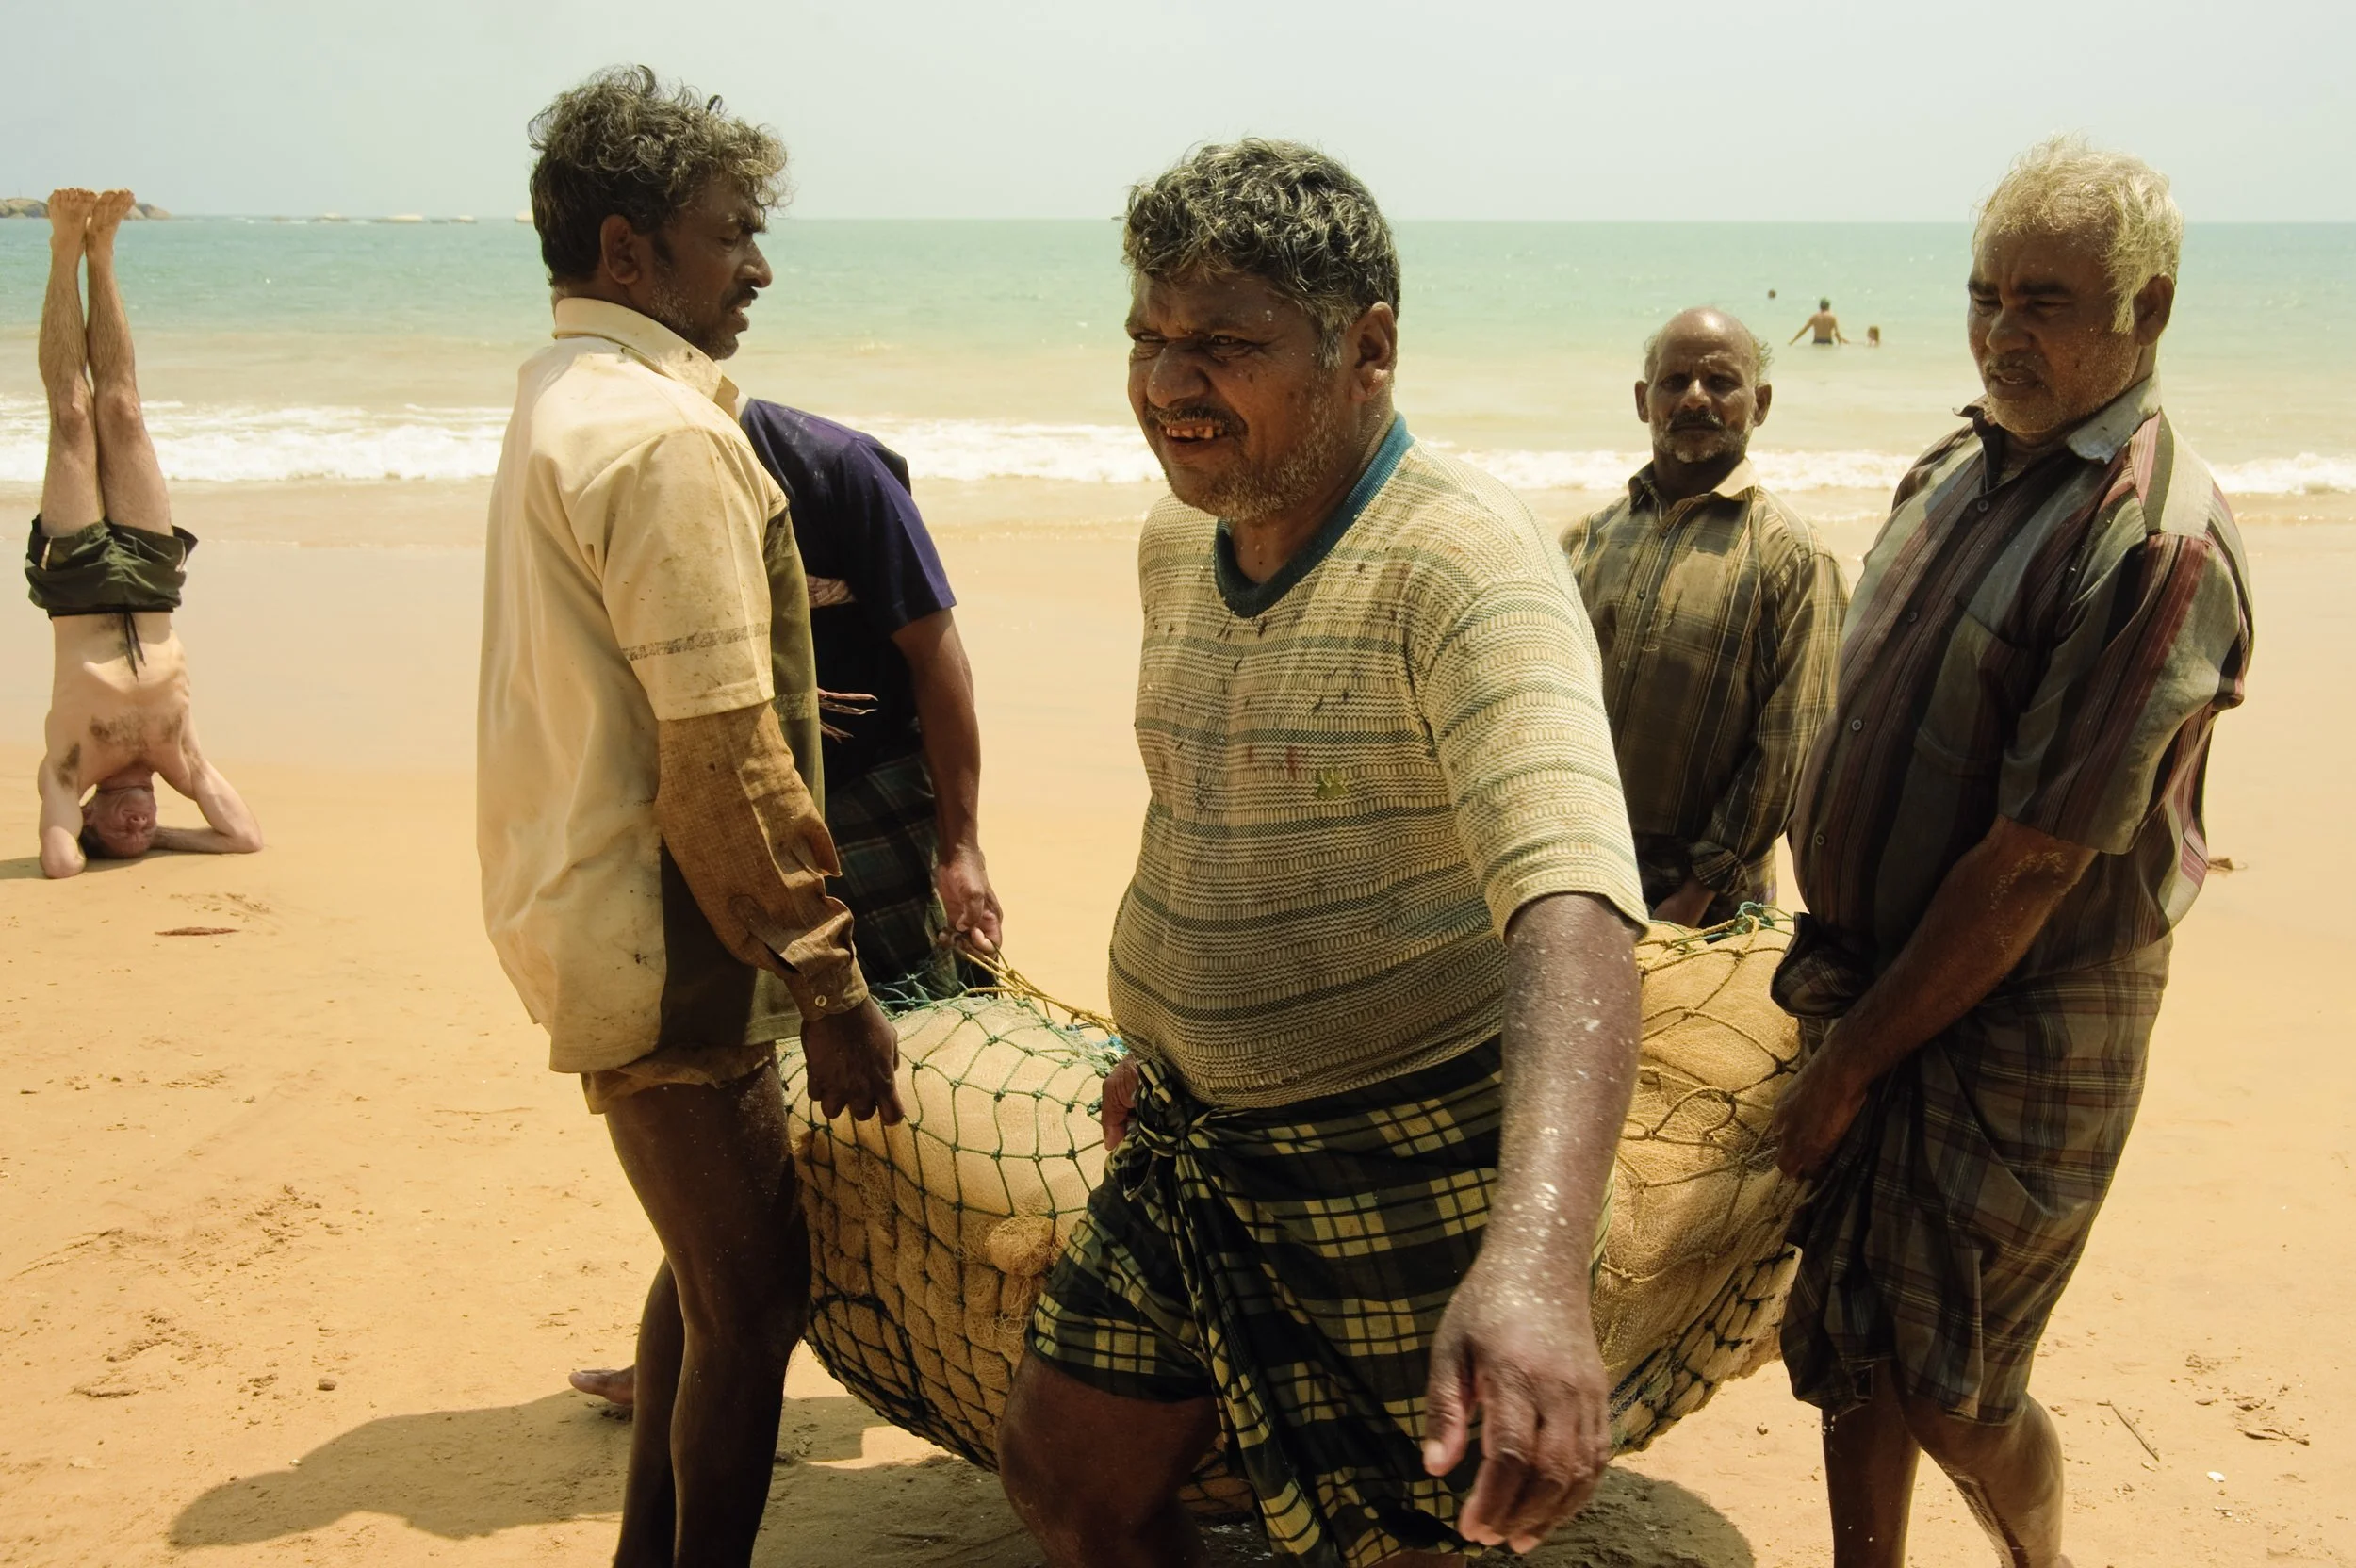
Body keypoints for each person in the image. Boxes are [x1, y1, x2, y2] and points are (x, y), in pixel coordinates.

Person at [994, 139, 1650, 1568]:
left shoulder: (1461, 566)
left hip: (1408, 1153)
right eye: (1149, 340)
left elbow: (1574, 906)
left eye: (1225, 344)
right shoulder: (1184, 540)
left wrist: (1536, 1261)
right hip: (1192, 1145)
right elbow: (1202, 798)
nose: (1171, 383)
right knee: (1065, 1465)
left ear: (1367, 350)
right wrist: (1161, 1040)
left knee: (1405, 1539)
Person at [1767, 136, 2254, 1568]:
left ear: (2146, 311)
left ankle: (2039, 1556)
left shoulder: (2151, 545)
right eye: (1984, 295)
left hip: (2024, 1017)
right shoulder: (1958, 461)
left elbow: (2033, 866)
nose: (1998, 331)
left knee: (1956, 1382)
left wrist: (1851, 1062)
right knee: (1852, 1330)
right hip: (1867, 973)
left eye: (2042, 301)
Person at [476, 68, 902, 1568]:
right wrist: (831, 980)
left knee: (701, 1270)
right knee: (754, 1300)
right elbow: (718, 752)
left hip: (587, 906)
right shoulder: (668, 442)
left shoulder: (561, 395)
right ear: (628, 251)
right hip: (675, 938)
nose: (760, 267)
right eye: (734, 235)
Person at [567, 402, 1004, 1413]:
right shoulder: (653, 485)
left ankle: (962, 1333)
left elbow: (942, 667)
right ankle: (698, 1349)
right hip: (731, 821)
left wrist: (962, 849)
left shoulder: (840, 472)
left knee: (911, 1087)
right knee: (741, 1101)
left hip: (873, 806)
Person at [1561, 308, 1845, 927]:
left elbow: (1789, 748)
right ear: (1644, 400)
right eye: (1674, 381)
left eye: (1720, 383)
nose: (1695, 398)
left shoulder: (1792, 557)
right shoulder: (1587, 541)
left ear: (1760, 403)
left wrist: (1694, 894)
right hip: (1581, 874)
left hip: (1709, 910)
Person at [28, 188, 261, 880]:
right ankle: (103, 255)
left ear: (92, 822)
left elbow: (61, 864)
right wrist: (168, 841)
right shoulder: (180, 761)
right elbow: (243, 836)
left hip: (77, 590)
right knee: (123, 409)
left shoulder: (69, 773)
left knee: (74, 414)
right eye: (144, 835)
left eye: (122, 835)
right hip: (154, 587)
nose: (138, 827)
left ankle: (65, 250)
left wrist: (86, 839)